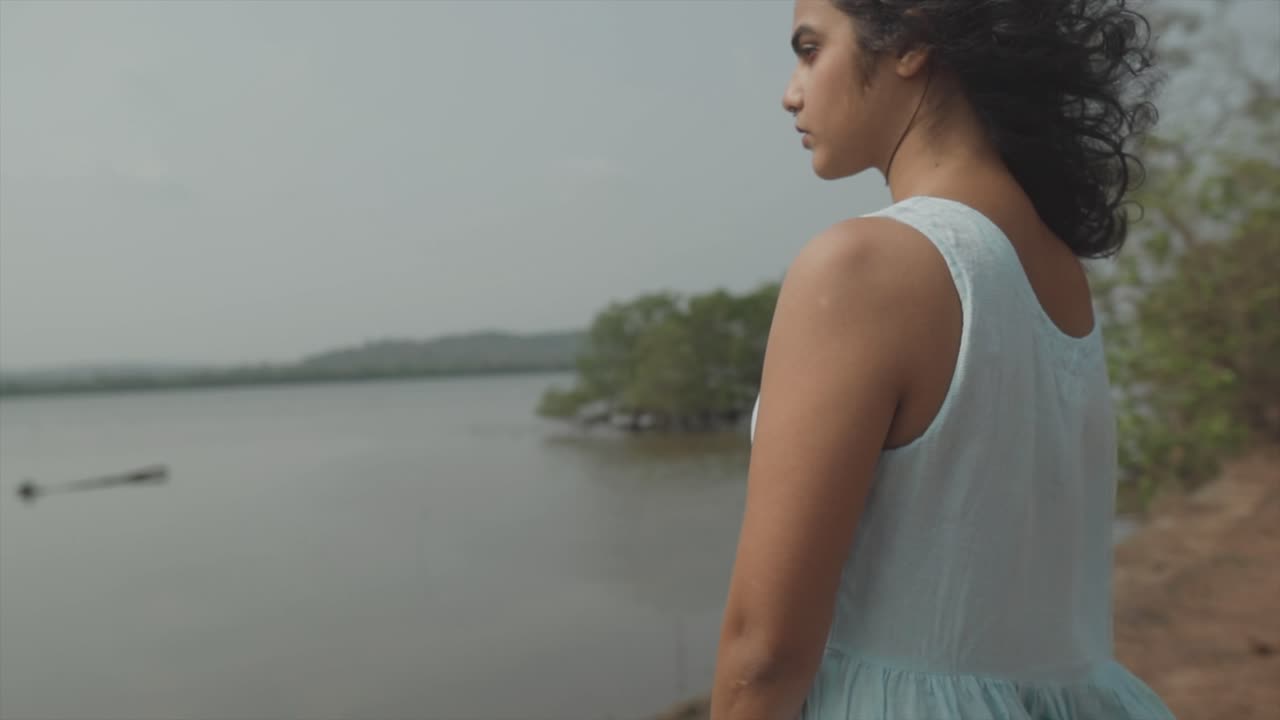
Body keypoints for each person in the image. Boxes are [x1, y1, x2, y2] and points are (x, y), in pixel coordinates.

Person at [710, 1, 1173, 718]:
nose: (790, 91)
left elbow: (766, 652)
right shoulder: (1053, 267)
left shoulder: (863, 266)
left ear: (911, 41)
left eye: (809, 48)